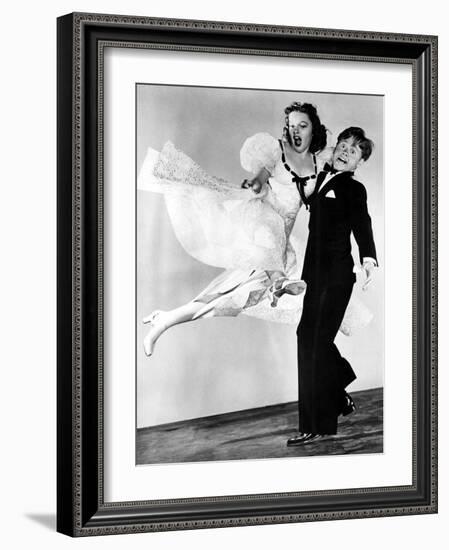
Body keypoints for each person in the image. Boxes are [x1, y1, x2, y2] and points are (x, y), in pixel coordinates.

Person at [138, 104, 372, 356]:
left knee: (226, 298)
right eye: (291, 126)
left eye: (302, 125)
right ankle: (278, 283)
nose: (296, 131)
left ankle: (163, 321)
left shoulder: (321, 161)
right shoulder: (276, 153)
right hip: (261, 225)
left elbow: (341, 171)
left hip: (280, 243)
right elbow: (260, 179)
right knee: (270, 240)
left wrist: (363, 255)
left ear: (313, 129)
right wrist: (256, 185)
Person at [286, 127, 378, 446]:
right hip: (313, 275)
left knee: (316, 341)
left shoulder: (354, 189)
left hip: (338, 275)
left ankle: (320, 423)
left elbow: (362, 222)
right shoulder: (321, 179)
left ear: (359, 163)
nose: (345, 151)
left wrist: (368, 259)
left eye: (354, 151)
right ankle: (335, 398)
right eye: (343, 145)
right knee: (307, 339)